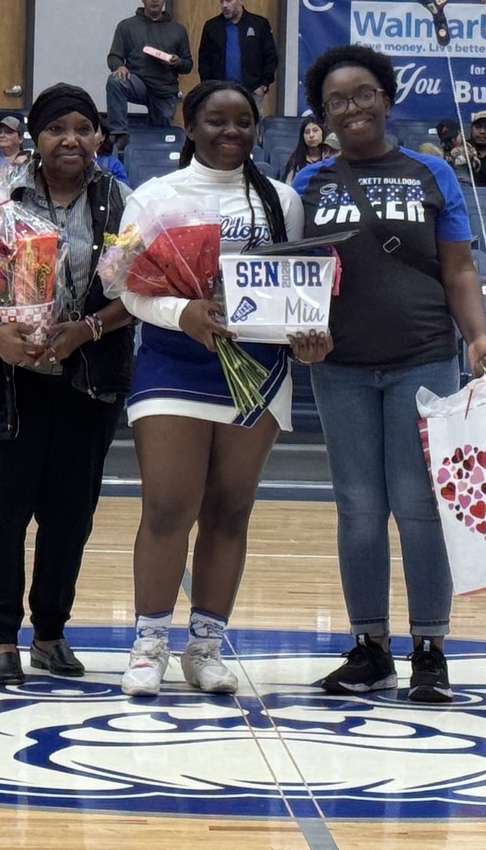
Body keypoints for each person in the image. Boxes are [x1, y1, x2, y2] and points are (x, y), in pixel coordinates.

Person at [293, 44, 486, 703]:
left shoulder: (431, 173)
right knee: (356, 508)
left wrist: (477, 335)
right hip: (340, 366)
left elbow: (458, 268)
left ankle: (430, 649)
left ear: (385, 97)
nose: (350, 108)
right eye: (334, 101)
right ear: (321, 114)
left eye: (361, 95)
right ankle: (369, 647)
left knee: (417, 506)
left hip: (423, 358)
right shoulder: (307, 183)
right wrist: (298, 330)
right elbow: (292, 275)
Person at [117, 79, 330, 697]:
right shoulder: (154, 197)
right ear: (189, 126)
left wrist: (306, 334)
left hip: (257, 371)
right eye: (216, 120)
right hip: (173, 363)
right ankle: (149, 644)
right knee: (166, 507)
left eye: (243, 121)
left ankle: (205, 648)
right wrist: (181, 314)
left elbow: (297, 290)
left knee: (229, 511)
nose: (231, 131)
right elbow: (125, 287)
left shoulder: (284, 201)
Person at [0, 83, 134, 686]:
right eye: (57, 128)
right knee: (1, 514)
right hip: (8, 382)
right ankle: (2, 638)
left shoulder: (121, 203)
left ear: (99, 136)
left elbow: (142, 293)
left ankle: (50, 632)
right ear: (37, 137)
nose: (71, 139)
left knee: (69, 515)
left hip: (85, 383)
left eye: (83, 127)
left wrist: (86, 328)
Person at [105, 0, 192, 150]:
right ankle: (119, 134)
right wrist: (119, 67)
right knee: (115, 81)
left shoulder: (178, 29)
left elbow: (188, 65)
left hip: (164, 89)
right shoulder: (126, 26)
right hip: (137, 82)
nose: (154, 0)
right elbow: (114, 56)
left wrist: (177, 62)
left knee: (160, 138)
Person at [197, 0, 278, 116]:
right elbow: (204, 60)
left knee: (251, 131)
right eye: (221, 1)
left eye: (229, 0)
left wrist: (264, 85)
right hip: (219, 92)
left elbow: (271, 56)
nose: (224, 5)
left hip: (251, 91)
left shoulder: (259, 24)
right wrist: (208, 88)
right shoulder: (212, 27)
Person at [283, 117, 334, 183]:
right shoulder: (295, 161)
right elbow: (290, 187)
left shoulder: (333, 157)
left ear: (323, 133)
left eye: (315, 130)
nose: (311, 135)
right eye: (307, 132)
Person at [95, 114, 129, 184]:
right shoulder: (74, 160)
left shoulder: (114, 164)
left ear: (103, 137)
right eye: (85, 130)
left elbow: (123, 192)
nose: (90, 134)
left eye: (95, 130)